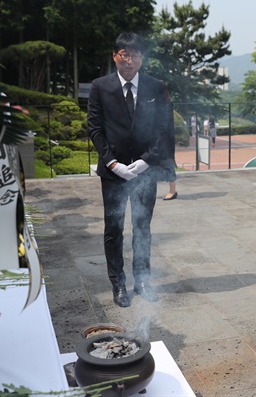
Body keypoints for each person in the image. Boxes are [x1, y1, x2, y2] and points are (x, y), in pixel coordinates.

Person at [87, 32, 169, 307]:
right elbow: (95, 128)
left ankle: (143, 280)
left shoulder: (155, 86)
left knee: (143, 226)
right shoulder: (100, 86)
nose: (129, 60)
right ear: (115, 56)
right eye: (124, 54)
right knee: (114, 228)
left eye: (134, 55)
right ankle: (118, 283)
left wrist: (147, 160)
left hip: (145, 170)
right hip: (113, 173)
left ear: (142, 58)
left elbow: (162, 128)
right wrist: (112, 163)